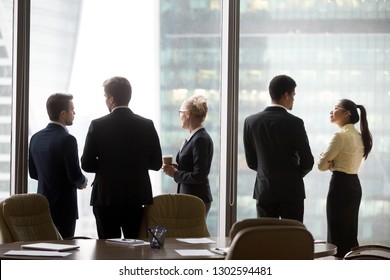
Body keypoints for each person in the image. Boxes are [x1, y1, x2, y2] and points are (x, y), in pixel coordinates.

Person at [81, 76, 162, 239]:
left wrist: (107, 166)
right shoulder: (146, 124)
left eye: (105, 96)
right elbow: (156, 163)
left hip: (106, 197)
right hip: (135, 197)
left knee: (107, 249)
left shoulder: (98, 125)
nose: (105, 100)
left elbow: (86, 164)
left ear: (111, 99)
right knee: (135, 248)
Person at [243, 75, 314, 222]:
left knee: (266, 238)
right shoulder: (295, 122)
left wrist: (268, 171)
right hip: (291, 192)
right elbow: (308, 161)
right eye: (293, 95)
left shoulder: (251, 121)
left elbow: (251, 162)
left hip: (264, 190)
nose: (294, 99)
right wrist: (292, 175)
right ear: (286, 95)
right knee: (292, 238)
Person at [318, 99, 373, 259]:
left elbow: (321, 166)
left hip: (340, 185)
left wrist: (328, 162)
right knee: (349, 233)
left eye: (335, 108)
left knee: (337, 234)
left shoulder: (340, 136)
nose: (331, 111)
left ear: (346, 113)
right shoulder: (359, 135)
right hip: (354, 186)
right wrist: (331, 163)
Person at [29, 93, 88, 239]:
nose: (74, 113)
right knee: (64, 251)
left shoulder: (35, 138)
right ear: (63, 114)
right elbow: (74, 176)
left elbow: (34, 174)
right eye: (72, 110)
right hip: (64, 208)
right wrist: (83, 182)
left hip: (41, 206)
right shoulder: (68, 140)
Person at [162, 94, 213, 217]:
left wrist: (175, 173)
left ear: (188, 114)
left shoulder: (200, 139)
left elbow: (199, 175)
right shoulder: (195, 137)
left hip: (196, 198)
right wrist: (177, 169)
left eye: (181, 112)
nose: (180, 116)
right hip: (191, 197)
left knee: (192, 235)